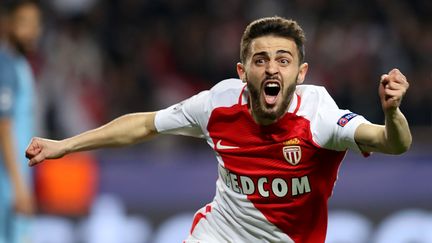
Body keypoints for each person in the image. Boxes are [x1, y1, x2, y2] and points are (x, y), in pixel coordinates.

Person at [25, 16, 411, 243]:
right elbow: (144, 124)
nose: (272, 69)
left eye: (283, 60)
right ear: (243, 72)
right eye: (260, 60)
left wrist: (392, 112)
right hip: (220, 235)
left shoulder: (321, 116)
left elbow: (394, 143)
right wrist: (65, 145)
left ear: (300, 73)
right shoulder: (217, 104)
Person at [0, 1, 41, 242]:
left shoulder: (19, 65)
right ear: (8, 25)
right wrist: (18, 187)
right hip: (6, 186)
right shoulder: (6, 68)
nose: (31, 31)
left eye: (35, 24)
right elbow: (3, 127)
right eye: (23, 23)